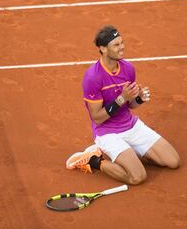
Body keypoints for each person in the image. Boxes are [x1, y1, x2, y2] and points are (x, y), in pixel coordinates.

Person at [66, 25, 180, 185]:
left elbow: (130, 105)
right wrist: (121, 98)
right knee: (137, 177)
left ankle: (129, 153)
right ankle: (92, 160)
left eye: (122, 43)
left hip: (131, 126)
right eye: (116, 45)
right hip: (107, 133)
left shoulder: (128, 68)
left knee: (173, 161)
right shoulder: (92, 77)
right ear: (103, 49)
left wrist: (138, 99)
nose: (122, 48)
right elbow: (97, 118)